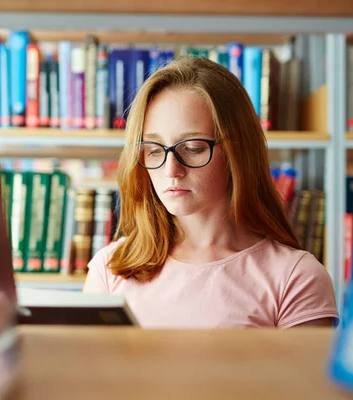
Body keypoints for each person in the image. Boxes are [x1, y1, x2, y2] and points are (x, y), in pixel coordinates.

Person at [83, 56, 339, 329]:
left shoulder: (295, 277)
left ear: (236, 152)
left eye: (193, 148)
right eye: (155, 150)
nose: (171, 170)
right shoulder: (110, 268)